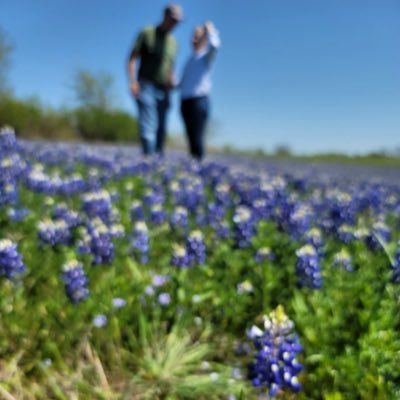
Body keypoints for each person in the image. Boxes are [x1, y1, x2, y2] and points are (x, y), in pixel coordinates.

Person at [127, 4, 183, 156]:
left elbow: (171, 67)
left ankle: (158, 162)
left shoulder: (174, 42)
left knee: (161, 129)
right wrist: (132, 81)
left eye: (178, 22)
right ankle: (149, 162)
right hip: (146, 85)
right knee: (149, 125)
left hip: (164, 90)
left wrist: (172, 82)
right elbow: (132, 58)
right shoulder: (147, 32)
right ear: (165, 15)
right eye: (173, 20)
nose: (175, 24)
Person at [179, 21, 221, 161]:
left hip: (199, 101)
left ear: (205, 39)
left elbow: (215, 46)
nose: (193, 39)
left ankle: (199, 168)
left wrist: (210, 30)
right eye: (192, 36)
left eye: (197, 36)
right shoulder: (190, 59)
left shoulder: (206, 56)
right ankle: (194, 165)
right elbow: (183, 83)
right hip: (185, 102)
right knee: (190, 138)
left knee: (197, 137)